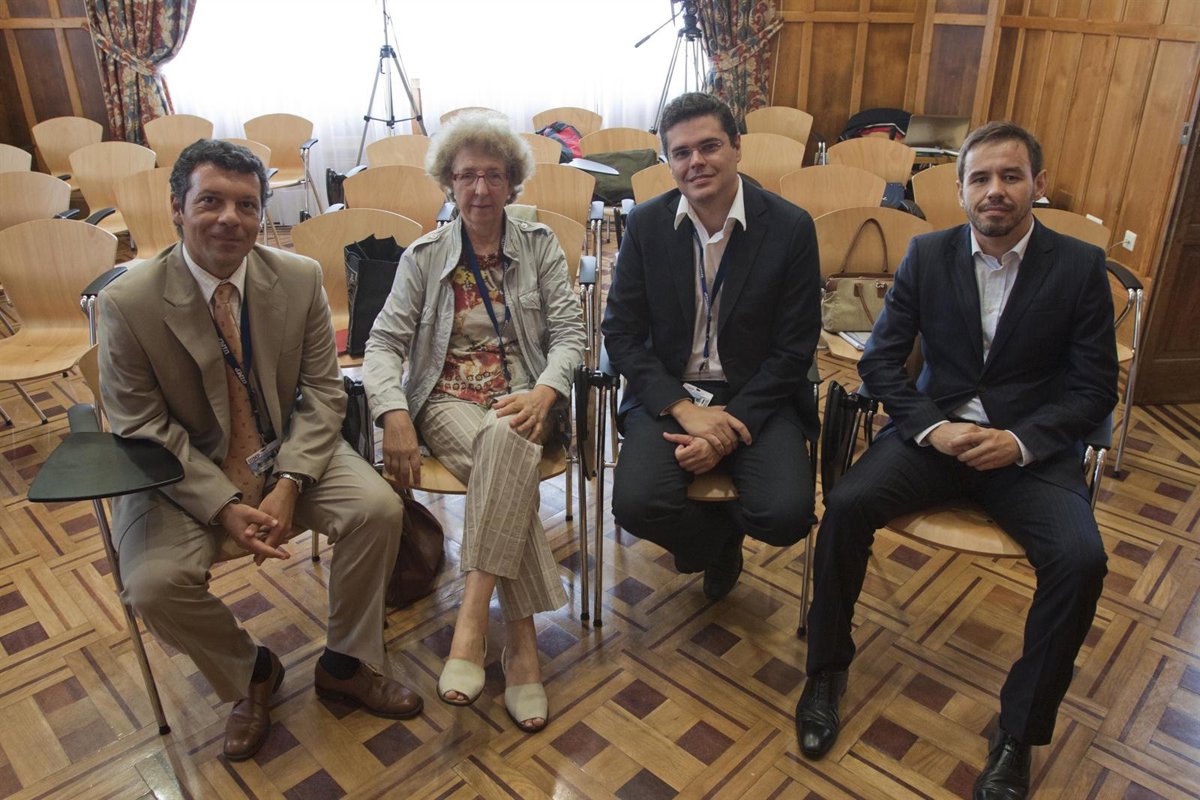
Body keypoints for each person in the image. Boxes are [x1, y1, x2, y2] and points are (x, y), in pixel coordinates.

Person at [797, 122, 1117, 800]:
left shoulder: (1078, 266)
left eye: (1010, 176)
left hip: (1028, 454)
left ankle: (1019, 733)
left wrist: (1020, 441)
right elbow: (880, 362)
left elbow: (1094, 390)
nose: (995, 190)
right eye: (981, 178)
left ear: (1037, 184)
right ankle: (825, 672)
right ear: (960, 188)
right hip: (935, 439)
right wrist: (934, 428)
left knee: (1081, 559)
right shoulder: (928, 254)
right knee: (846, 507)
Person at [97, 140, 421, 761]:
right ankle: (253, 673)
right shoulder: (128, 303)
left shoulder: (297, 278)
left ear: (262, 214)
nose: (230, 218)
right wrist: (221, 504)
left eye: (247, 205)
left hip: (285, 451)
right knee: (151, 585)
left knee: (378, 509)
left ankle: (346, 663)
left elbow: (324, 392)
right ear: (177, 208)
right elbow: (141, 425)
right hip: (182, 470)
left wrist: (291, 480)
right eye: (210, 202)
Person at [363, 115, 585, 733]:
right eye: (467, 176)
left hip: (527, 398)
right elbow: (383, 344)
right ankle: (521, 648)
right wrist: (394, 411)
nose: (480, 189)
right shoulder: (424, 257)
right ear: (449, 183)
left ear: (512, 182)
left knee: (504, 440)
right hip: (447, 401)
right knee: (504, 446)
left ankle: (472, 618)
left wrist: (546, 391)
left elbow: (571, 335)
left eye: (492, 175)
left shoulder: (539, 246)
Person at [601, 92, 821, 600]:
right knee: (635, 505)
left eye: (709, 146)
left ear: (737, 147)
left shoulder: (790, 227)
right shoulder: (646, 225)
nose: (695, 161)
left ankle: (717, 536)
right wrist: (683, 409)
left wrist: (726, 430)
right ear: (669, 162)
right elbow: (622, 334)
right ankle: (718, 545)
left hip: (757, 394)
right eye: (681, 152)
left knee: (786, 516)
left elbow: (795, 348)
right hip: (670, 393)